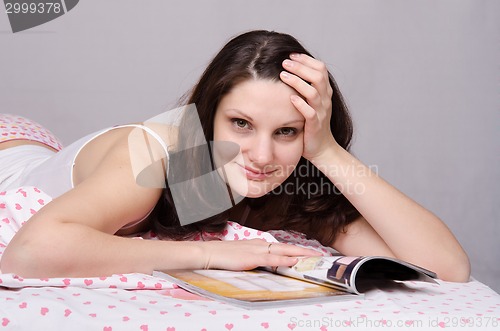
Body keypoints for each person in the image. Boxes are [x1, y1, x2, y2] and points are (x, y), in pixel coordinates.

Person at [0, 30, 470, 282]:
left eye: (286, 131)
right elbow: (28, 251)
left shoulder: (291, 182)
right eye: (240, 124)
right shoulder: (157, 153)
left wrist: (323, 149)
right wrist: (209, 254)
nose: (262, 155)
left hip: (51, 153)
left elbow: (447, 268)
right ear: (207, 118)